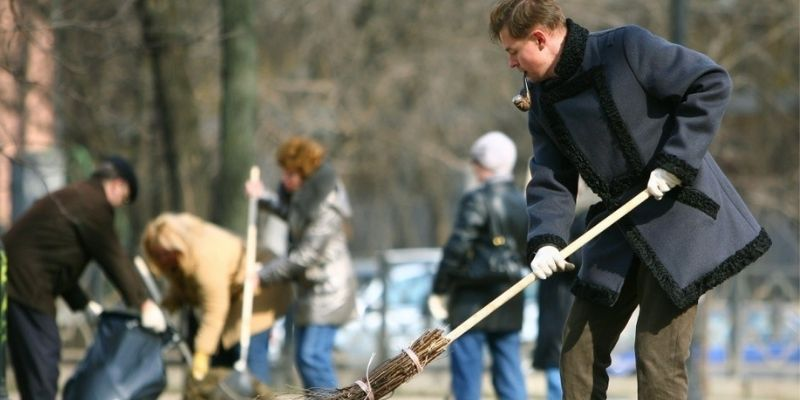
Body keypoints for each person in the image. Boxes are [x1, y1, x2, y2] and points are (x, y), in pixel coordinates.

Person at [488, 1, 772, 399]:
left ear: (539, 37)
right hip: (617, 226)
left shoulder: (626, 47)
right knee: (577, 355)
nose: (511, 64)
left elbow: (710, 81)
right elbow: (551, 175)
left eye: (513, 52)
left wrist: (675, 161)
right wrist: (547, 238)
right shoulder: (542, 98)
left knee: (657, 362)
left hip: (679, 219)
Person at [3, 155, 167, 400]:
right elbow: (113, 257)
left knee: (35, 364)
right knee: (43, 358)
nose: (119, 205)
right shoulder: (93, 205)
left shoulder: (76, 197)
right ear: (117, 185)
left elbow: (56, 260)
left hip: (18, 280)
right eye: (124, 199)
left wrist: (83, 303)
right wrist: (143, 302)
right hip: (26, 285)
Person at [246, 136, 357, 391]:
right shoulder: (304, 198)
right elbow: (293, 217)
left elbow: (307, 255)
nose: (285, 180)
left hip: (330, 290)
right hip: (311, 290)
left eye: (291, 174)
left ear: (306, 174)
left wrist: (262, 276)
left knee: (312, 357)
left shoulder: (327, 204)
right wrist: (262, 197)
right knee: (303, 358)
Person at [428, 131, 528, 400]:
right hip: (510, 296)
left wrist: (440, 288)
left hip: (471, 300)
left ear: (482, 164)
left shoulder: (477, 199)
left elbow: (457, 247)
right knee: (509, 373)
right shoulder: (522, 201)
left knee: (466, 377)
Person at [140, 212, 292, 384]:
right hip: (234, 293)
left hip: (258, 287)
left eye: (165, 254)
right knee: (221, 355)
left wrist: (202, 352)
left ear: (177, 247)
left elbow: (214, 310)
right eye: (157, 255)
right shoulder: (183, 259)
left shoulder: (205, 258)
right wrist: (162, 309)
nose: (162, 259)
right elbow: (181, 290)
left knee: (247, 350)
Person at [531, 209, 582, 400]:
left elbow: (584, 259)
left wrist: (561, 255)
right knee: (554, 360)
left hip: (568, 303)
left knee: (562, 360)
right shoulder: (547, 217)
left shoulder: (584, 219)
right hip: (553, 302)